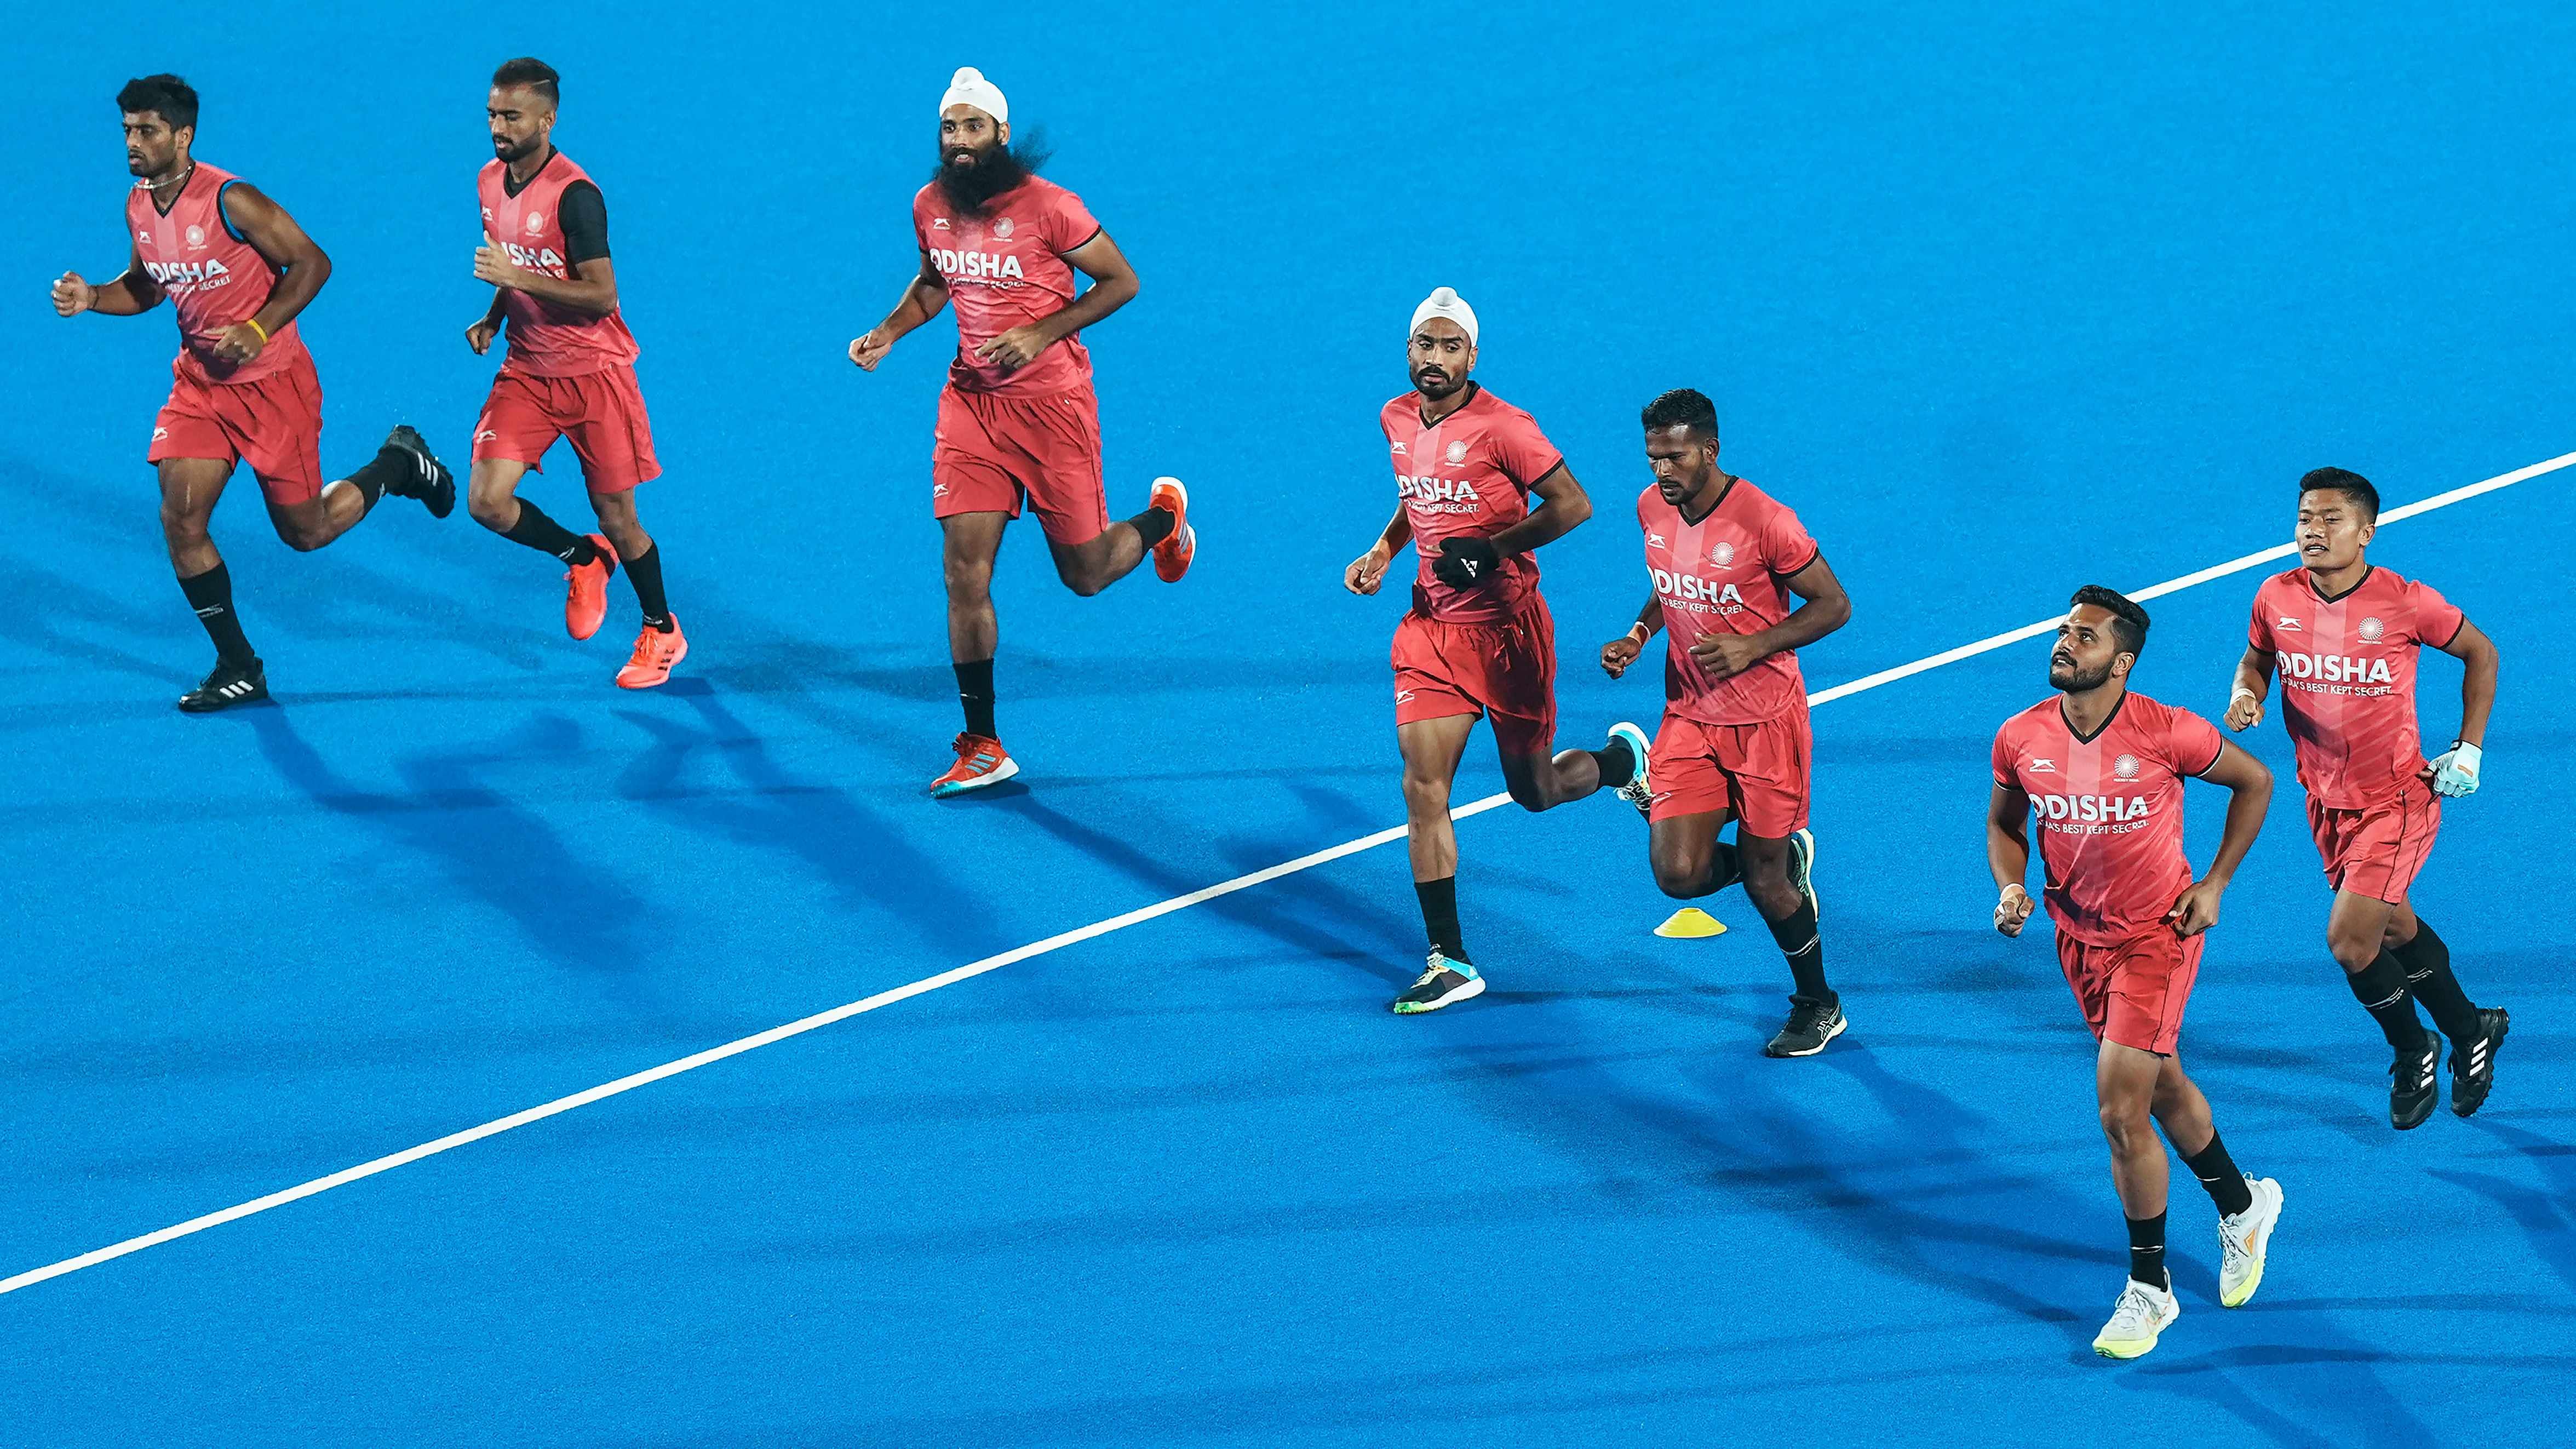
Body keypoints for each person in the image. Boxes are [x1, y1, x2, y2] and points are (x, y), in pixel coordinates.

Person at [53, 73, 451, 711]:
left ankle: (399, 463)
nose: (133, 142)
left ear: (183, 136)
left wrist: (260, 325)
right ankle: (239, 665)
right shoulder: (138, 204)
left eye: (147, 130)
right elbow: (147, 286)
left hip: (273, 389)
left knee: (306, 532)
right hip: (201, 387)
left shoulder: (231, 201)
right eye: (127, 129)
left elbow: (313, 262)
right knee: (181, 518)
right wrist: (92, 298)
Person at [849, 67, 1194, 795]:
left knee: (1087, 574)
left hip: (1052, 412)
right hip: (971, 409)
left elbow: (1120, 281)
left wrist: (1042, 332)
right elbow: (936, 284)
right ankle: (982, 743)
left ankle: (1163, 518)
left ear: (1000, 135)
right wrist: (887, 332)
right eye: (950, 128)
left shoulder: (1051, 208)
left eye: (973, 127)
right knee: (962, 572)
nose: (959, 141)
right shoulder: (929, 205)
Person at [1989, 586, 2284, 1360]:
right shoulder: (2019, 736)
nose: (2062, 643)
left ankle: (2149, 1289)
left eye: (2082, 637)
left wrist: (2213, 883)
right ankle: (2241, 1202)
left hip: (2157, 936)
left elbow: (2254, 782)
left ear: (2118, 662)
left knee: (2120, 1111)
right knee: (2160, 1087)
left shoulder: (2166, 731)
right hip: (2075, 938)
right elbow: (2002, 822)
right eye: (2061, 630)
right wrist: (2009, 885)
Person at [1345, 287, 1644, 1013]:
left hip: (1508, 633)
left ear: (1471, 357)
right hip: (1429, 634)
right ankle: (1448, 958)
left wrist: (1491, 551)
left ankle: (1617, 763)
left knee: (1532, 792)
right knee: (1422, 788)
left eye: (1450, 348)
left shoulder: (1505, 428)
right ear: (1408, 349)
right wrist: (1385, 550)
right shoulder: (1393, 416)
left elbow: (1573, 504)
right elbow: (1419, 494)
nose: (1435, 359)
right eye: (1425, 345)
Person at [2226, 468, 2508, 1127]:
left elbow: (2481, 653)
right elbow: (2255, 659)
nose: (2312, 531)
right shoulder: (2274, 596)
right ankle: (2472, 1026)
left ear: (2365, 532)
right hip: (2323, 800)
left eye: (2329, 519)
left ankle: (2415, 1048)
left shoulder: (2403, 602)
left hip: (2396, 799)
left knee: (2351, 941)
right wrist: (2246, 693)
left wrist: (2468, 747)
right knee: (2394, 925)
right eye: (2304, 518)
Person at [1598, 389, 1852, 1056]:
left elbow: (1832, 605)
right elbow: (1670, 577)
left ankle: (1817, 1004)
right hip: (1687, 714)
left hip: (1766, 721)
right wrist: (1639, 633)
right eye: (1653, 457)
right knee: (1678, 874)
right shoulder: (1652, 506)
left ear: (1709, 449)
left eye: (1675, 456)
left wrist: (1753, 643)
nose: (1661, 471)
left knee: (1767, 883)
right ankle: (1781, 860)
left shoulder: (1767, 521)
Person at [463, 57, 685, 689]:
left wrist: (514, 280)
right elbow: (520, 265)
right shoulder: (487, 181)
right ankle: (582, 557)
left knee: (621, 517)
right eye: (492, 115)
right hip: (528, 370)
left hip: (595, 377)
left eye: (511, 116)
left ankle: (661, 630)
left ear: (547, 118)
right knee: (486, 501)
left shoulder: (576, 196)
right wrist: (494, 314)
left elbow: (601, 296)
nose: (498, 127)